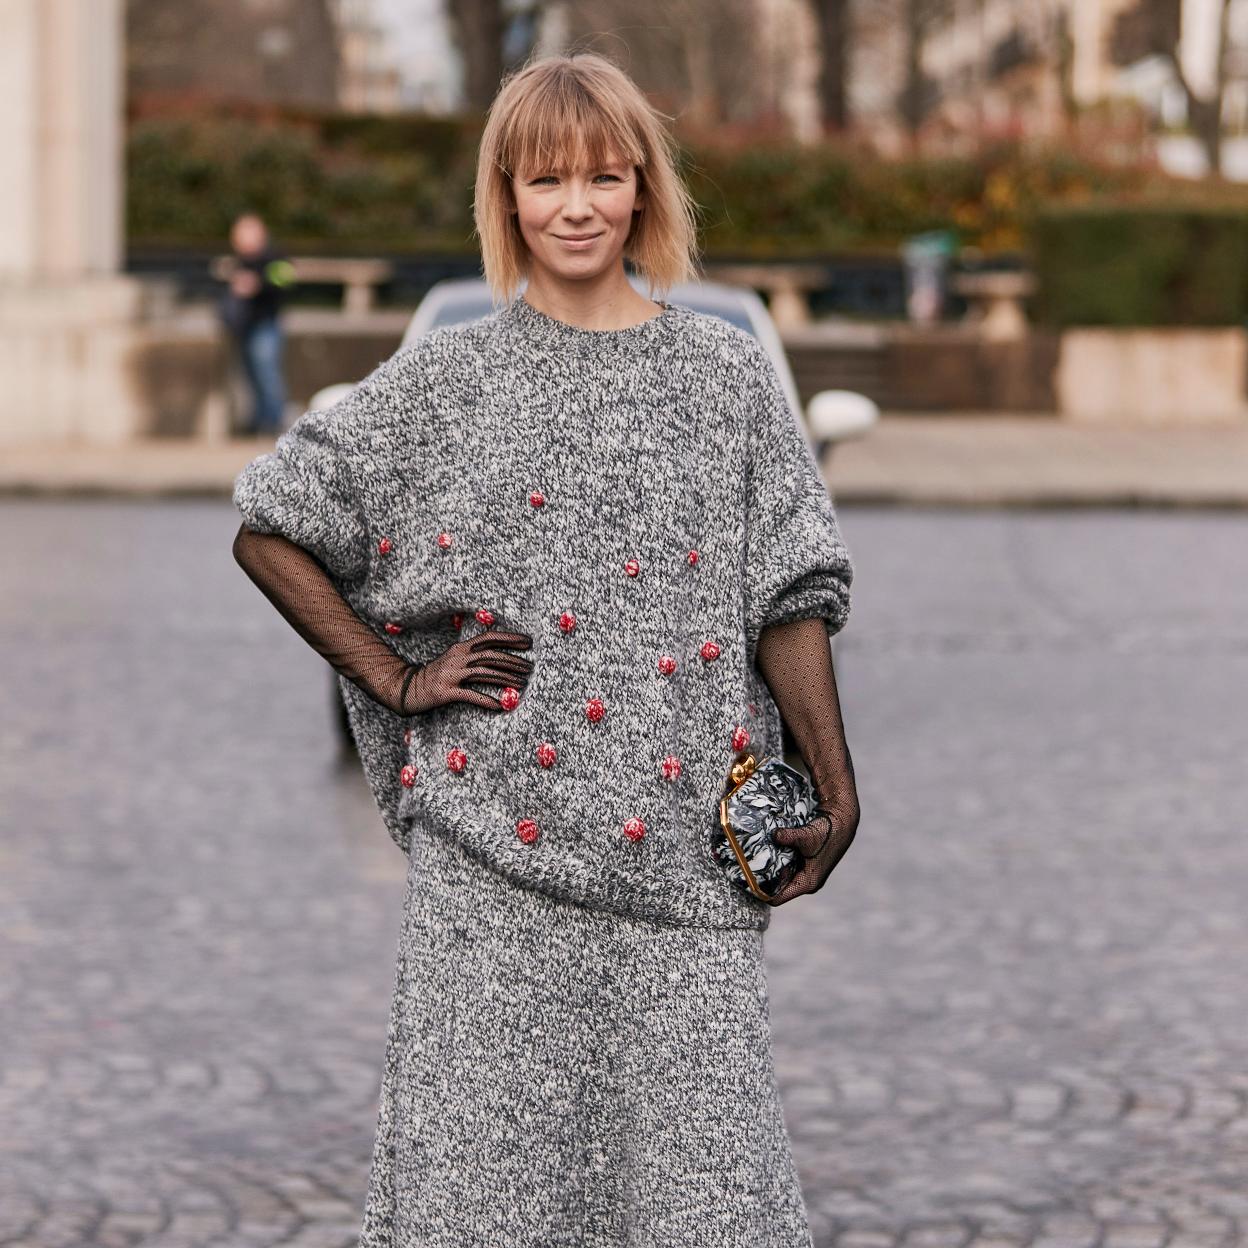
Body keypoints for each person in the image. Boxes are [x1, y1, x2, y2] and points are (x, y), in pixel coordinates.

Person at [229, 51, 859, 1247]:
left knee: (704, 1210)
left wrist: (836, 781)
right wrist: (393, 676)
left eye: (604, 176)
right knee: (486, 1212)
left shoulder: (725, 379)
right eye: (545, 180)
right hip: (492, 886)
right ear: (505, 198)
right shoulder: (445, 378)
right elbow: (274, 525)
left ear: (643, 190)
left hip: (687, 879)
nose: (576, 205)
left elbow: (790, 592)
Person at [219, 212, 295, 435]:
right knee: (250, 376)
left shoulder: (274, 258)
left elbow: (286, 281)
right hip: (244, 327)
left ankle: (275, 420)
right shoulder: (236, 262)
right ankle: (258, 420)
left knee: (267, 373)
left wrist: (258, 284)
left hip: (266, 324)